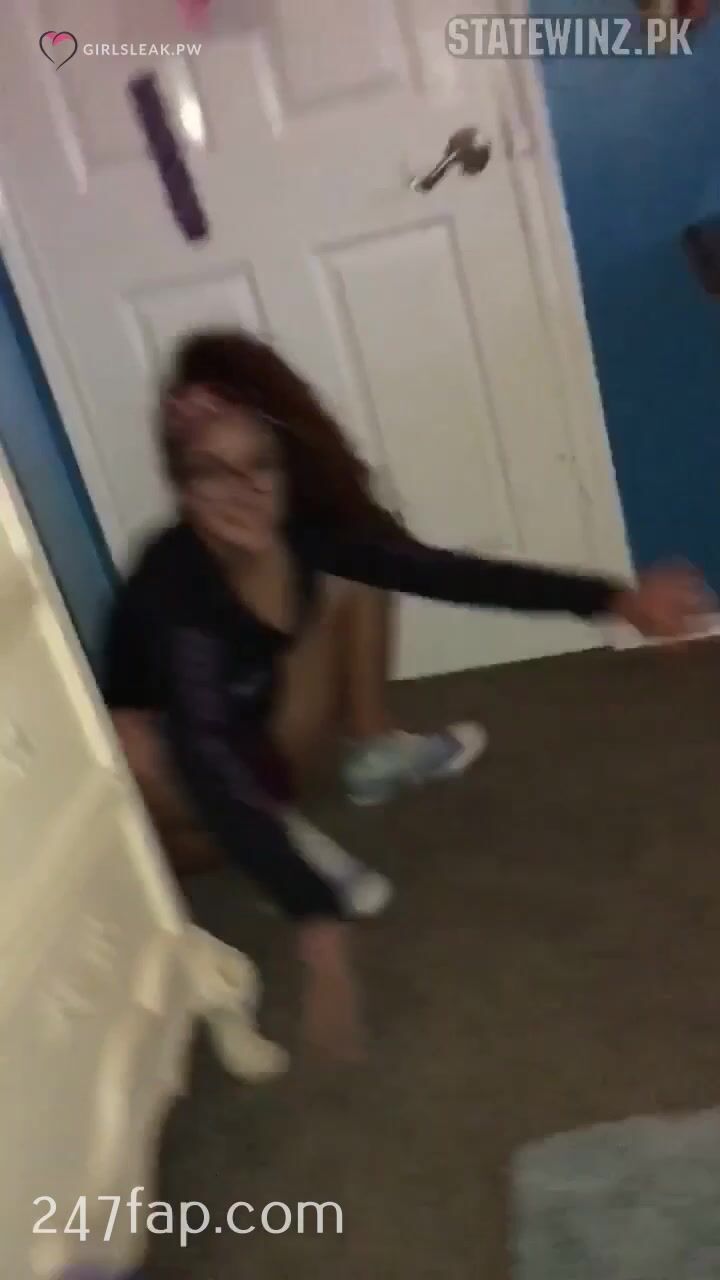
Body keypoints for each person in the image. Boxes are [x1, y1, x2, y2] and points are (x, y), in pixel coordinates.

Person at [103, 328, 709, 1059]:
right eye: (212, 472)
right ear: (183, 485)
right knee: (129, 745)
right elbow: (202, 750)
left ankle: (367, 756)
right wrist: (313, 912)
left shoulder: (303, 535)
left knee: (367, 562)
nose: (243, 491)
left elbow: (444, 573)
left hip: (265, 747)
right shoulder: (172, 583)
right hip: (182, 796)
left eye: (258, 463)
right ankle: (276, 839)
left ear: (282, 457)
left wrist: (614, 599)